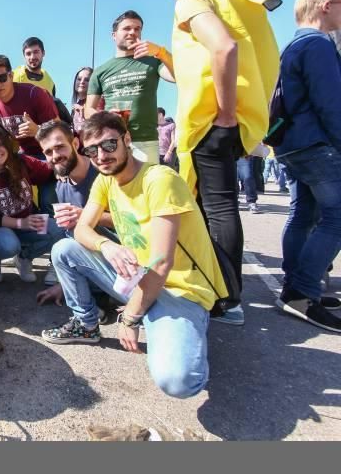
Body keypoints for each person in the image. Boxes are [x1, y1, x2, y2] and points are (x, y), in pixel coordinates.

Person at [43, 112, 228, 398]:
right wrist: (107, 246)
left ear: (127, 140)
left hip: (177, 290)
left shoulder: (159, 179)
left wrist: (130, 317)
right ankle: (88, 325)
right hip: (137, 278)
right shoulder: (106, 180)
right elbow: (81, 230)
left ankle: (178, 328)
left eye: (109, 145)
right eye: (92, 150)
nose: (101, 156)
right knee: (65, 249)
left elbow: (162, 262)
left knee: (178, 381)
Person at [159, 0, 280, 325]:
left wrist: (225, 113)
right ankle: (226, 292)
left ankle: (227, 299)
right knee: (220, 206)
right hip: (230, 122)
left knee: (218, 209)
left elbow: (224, 48)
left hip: (211, 123)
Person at [273, 0, 341, 333]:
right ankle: (302, 291)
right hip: (317, 142)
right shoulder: (318, 44)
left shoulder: (293, 45)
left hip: (292, 144)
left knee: (303, 214)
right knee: (336, 216)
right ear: (327, 5)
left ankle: (294, 285)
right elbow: (330, 101)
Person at [34, 120, 116, 307]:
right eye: (48, 152)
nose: (55, 156)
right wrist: (64, 284)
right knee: (63, 236)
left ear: (76, 144)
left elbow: (136, 223)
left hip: (130, 256)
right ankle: (94, 300)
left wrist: (85, 216)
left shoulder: (103, 171)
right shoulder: (62, 187)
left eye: (60, 147)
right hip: (101, 259)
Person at [0, 126, 64, 283]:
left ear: (8, 145)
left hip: (27, 221)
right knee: (9, 246)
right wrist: (21, 223)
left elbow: (48, 170)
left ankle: (23, 257)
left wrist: (65, 171)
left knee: (59, 229)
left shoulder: (21, 162)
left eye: (0, 144)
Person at [85, 10, 175, 164]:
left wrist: (161, 52)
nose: (133, 32)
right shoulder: (101, 71)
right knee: (116, 187)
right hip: (112, 142)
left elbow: (177, 76)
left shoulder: (153, 62)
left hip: (145, 143)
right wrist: (105, 116)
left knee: (145, 187)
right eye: (127, 28)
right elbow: (88, 110)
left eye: (137, 29)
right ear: (114, 35)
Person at [0, 54, 59, 159]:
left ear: (11, 76)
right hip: (20, 155)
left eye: (2, 78)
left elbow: (60, 131)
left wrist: (38, 130)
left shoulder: (34, 94)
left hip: (49, 153)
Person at [13, 37, 72, 125]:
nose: (32, 57)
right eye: (28, 54)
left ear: (43, 53)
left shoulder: (49, 81)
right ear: (24, 57)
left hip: (43, 130)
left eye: (36, 52)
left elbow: (52, 110)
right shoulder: (13, 76)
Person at [70, 66, 92, 133]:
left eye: (87, 80)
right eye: (79, 79)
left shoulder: (96, 103)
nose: (82, 82)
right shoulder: (75, 107)